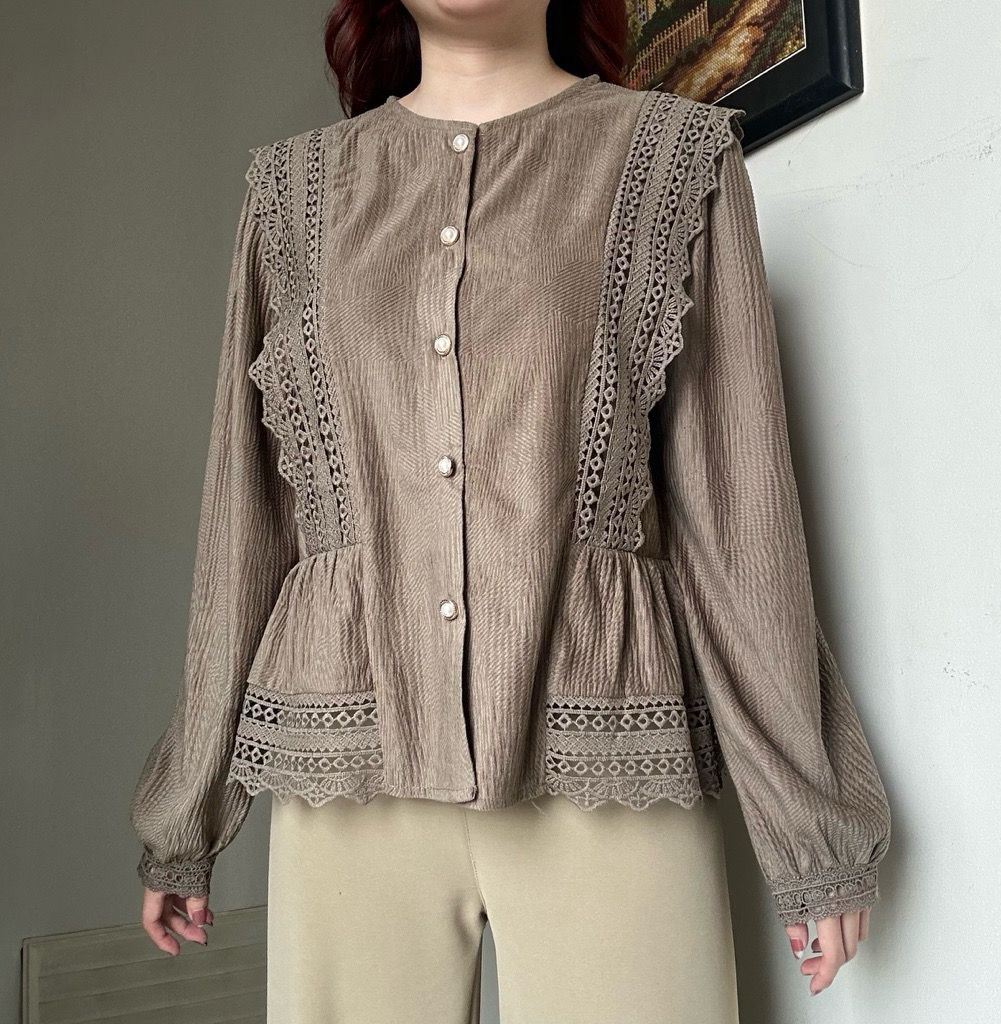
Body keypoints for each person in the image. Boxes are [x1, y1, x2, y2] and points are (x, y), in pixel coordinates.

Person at [129, 1, 893, 1020]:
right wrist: (186, 811)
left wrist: (813, 832)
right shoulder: (293, 192)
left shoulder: (673, 159)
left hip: (607, 760)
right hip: (349, 762)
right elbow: (248, 515)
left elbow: (736, 514)